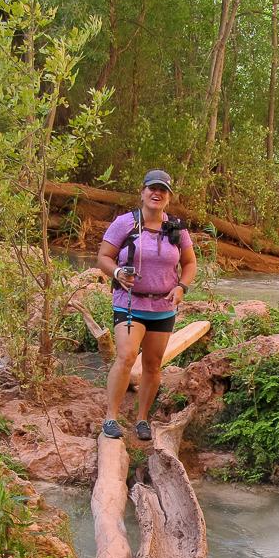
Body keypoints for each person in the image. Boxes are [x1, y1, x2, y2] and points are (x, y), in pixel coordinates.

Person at [97, 169, 197, 440]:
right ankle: (111, 418)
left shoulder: (176, 228)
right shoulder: (124, 223)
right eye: (152, 188)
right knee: (127, 356)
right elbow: (104, 256)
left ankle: (142, 420)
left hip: (163, 307)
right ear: (142, 192)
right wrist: (117, 272)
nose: (157, 193)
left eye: (163, 190)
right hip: (129, 303)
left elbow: (189, 263)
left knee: (153, 365)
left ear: (168, 197)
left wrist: (181, 287)